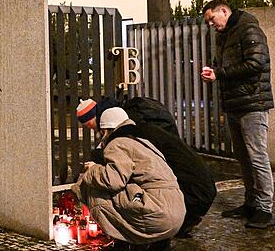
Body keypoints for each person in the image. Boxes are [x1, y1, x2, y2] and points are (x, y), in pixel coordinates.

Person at [77, 97, 216, 237]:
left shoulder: (126, 138)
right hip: (198, 190)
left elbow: (113, 179)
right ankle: (175, 227)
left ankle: (130, 236)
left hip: (187, 196)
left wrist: (92, 169)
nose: (93, 130)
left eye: (89, 125)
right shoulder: (142, 125)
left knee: (106, 189)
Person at [72, 107, 185, 251]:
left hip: (157, 215)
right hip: (177, 214)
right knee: (129, 187)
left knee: (93, 187)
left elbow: (112, 180)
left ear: (106, 130)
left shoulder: (118, 143)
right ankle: (158, 244)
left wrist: (92, 169)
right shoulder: (143, 142)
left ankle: (121, 243)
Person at [201, 0, 275, 229]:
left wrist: (219, 74)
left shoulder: (248, 29)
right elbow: (225, 63)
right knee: (243, 157)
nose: (211, 24)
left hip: (252, 102)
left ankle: (265, 208)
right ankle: (251, 203)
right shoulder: (225, 35)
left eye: (212, 19)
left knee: (257, 156)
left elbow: (256, 63)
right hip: (235, 102)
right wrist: (214, 70)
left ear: (224, 11)